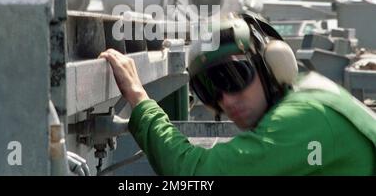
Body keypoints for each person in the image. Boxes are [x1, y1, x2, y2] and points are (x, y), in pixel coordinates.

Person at [99, 13, 376, 175]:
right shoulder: (311, 92)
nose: (227, 101)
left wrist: (139, 98)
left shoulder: (303, 118)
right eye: (209, 92)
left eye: (233, 78)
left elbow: (195, 174)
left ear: (272, 66)